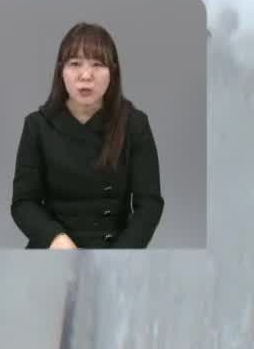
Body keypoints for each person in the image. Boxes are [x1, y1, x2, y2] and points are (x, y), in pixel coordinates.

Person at [9, 20, 163, 249]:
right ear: (61, 70)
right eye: (75, 63)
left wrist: (120, 257)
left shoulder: (134, 124)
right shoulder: (37, 126)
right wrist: (56, 239)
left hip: (115, 252)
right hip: (53, 251)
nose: (86, 75)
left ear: (113, 71)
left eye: (97, 64)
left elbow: (149, 205)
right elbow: (23, 203)